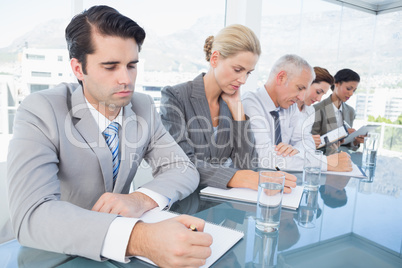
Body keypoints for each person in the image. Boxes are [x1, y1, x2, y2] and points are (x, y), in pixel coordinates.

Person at [7, 6, 213, 267]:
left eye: (131, 65)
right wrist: (140, 239)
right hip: (51, 253)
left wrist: (140, 200)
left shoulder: (143, 106)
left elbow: (183, 168)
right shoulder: (41, 109)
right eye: (110, 66)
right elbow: (33, 215)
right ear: (78, 69)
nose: (125, 79)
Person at [159, 25, 297, 193]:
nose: (243, 80)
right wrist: (240, 178)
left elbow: (248, 164)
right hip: (183, 199)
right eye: (238, 70)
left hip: (220, 201)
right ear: (215, 58)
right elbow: (181, 162)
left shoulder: (231, 103)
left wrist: (238, 113)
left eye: (248, 73)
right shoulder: (176, 96)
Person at [243, 54, 351, 172]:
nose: (301, 97)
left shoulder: (291, 106)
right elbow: (264, 158)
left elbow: (306, 142)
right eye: (300, 88)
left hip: (282, 179)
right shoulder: (250, 103)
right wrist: (324, 163)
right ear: (281, 78)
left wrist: (294, 150)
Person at [295, 66, 352, 172]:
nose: (318, 99)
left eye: (322, 94)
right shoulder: (287, 108)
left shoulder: (310, 111)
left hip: (304, 166)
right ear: (306, 83)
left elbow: (308, 150)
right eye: (318, 92)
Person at [312, 68, 364, 155]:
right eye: (348, 88)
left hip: (343, 157)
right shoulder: (317, 109)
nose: (351, 93)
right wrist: (338, 134)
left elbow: (347, 144)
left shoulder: (350, 111)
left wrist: (355, 141)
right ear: (336, 84)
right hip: (323, 158)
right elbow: (312, 143)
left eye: (354, 90)